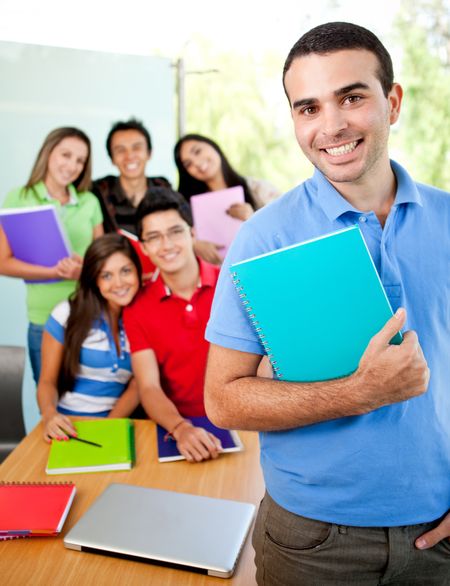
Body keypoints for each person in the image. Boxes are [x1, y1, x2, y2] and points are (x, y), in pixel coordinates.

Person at [204, 22, 450, 585]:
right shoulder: (263, 238)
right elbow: (223, 400)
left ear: (393, 102)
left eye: (353, 98)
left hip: (440, 538)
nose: (331, 126)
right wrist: (360, 393)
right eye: (307, 108)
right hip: (313, 543)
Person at [123, 187, 222, 463]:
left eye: (175, 232)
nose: (166, 245)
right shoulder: (136, 309)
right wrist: (181, 429)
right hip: (177, 426)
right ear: (143, 247)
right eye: (154, 237)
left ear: (192, 234)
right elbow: (149, 387)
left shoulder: (232, 283)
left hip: (241, 419)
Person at [0, 127, 104, 383]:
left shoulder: (89, 201)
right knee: (51, 401)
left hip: (87, 314)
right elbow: (3, 262)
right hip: (43, 318)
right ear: (48, 153)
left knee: (89, 399)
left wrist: (83, 271)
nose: (72, 165)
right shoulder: (19, 198)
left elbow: (103, 262)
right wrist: (53, 272)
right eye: (65, 155)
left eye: (80, 160)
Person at [37, 233, 141, 442]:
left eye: (126, 271)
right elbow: (47, 382)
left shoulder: (142, 319)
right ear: (94, 280)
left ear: (138, 271)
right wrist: (49, 416)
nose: (118, 283)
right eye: (106, 275)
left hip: (116, 423)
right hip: (67, 426)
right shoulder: (66, 314)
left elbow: (139, 385)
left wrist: (108, 426)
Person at [174, 134, 280, 264]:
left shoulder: (259, 189)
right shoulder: (186, 208)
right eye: (188, 164)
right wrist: (193, 244)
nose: (196, 163)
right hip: (218, 278)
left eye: (197, 151)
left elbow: (286, 231)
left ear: (213, 146)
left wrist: (252, 219)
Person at [91, 118, 173, 235]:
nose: (129, 156)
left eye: (137, 147)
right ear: (112, 159)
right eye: (120, 150)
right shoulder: (100, 190)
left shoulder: (163, 187)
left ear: (149, 153)